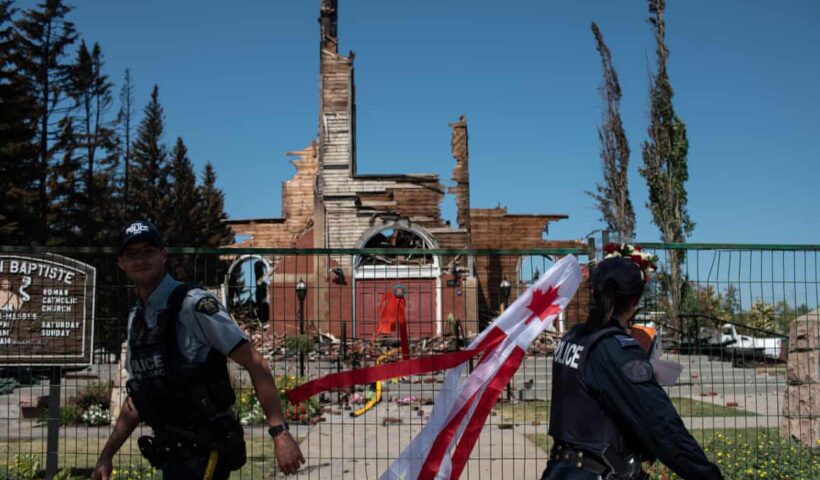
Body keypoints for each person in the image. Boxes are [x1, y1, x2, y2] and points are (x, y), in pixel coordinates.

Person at [92, 220, 305, 480]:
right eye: (131, 254)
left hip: (207, 451)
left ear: (163, 255)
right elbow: (137, 398)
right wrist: (107, 455)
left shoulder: (192, 305)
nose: (140, 259)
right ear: (121, 263)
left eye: (148, 251)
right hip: (172, 455)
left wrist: (280, 433)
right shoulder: (137, 319)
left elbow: (255, 363)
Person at [541, 256, 722, 480]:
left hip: (560, 470)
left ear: (594, 294)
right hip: (595, 472)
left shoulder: (574, 336)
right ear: (635, 301)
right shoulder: (615, 349)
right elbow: (662, 426)